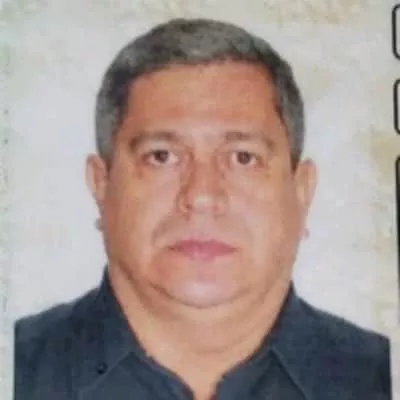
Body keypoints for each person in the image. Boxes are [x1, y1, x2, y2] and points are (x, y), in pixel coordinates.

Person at [14, 18, 391, 400]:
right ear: (101, 183)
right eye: (161, 156)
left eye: (243, 157)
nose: (202, 196)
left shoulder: (380, 377)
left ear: (301, 191)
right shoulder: (17, 368)